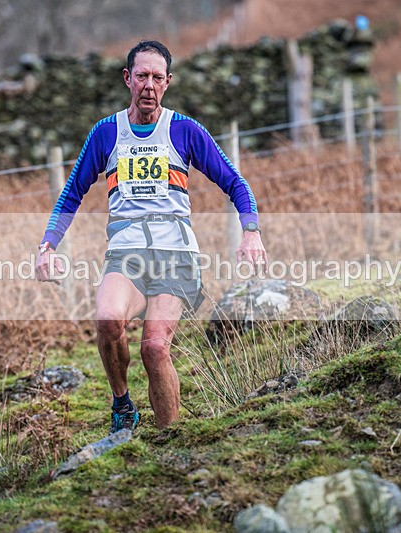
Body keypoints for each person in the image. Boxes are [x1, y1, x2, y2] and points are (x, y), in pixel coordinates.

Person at [36, 40, 265, 434]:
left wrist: (251, 231)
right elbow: (72, 191)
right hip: (125, 253)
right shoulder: (106, 133)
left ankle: (168, 442)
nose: (149, 85)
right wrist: (47, 244)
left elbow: (235, 183)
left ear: (168, 82)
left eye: (157, 77)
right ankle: (123, 405)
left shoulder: (185, 130)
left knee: (155, 348)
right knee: (108, 321)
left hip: (175, 255)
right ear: (127, 79)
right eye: (141, 76)